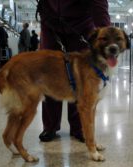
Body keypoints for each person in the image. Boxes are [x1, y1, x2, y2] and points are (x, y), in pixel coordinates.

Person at [36, 0, 110, 142]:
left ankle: (79, 127)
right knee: (50, 76)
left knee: (81, 79)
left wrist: (105, 36)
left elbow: (99, 6)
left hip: (81, 27)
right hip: (50, 25)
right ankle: (50, 126)